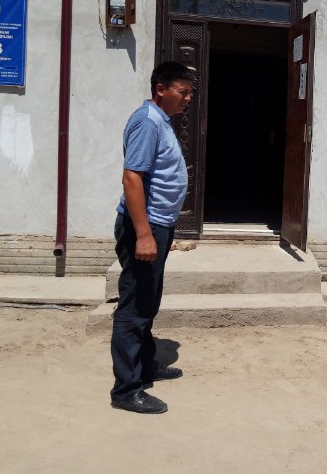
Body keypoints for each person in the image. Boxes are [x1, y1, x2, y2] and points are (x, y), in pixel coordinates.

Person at [110, 61, 195, 414]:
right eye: (182, 91)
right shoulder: (147, 121)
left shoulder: (161, 121)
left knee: (148, 301)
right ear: (160, 89)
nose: (188, 98)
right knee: (134, 307)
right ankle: (127, 389)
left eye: (190, 93)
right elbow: (132, 177)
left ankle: (145, 366)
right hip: (144, 227)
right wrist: (144, 234)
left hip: (158, 225)